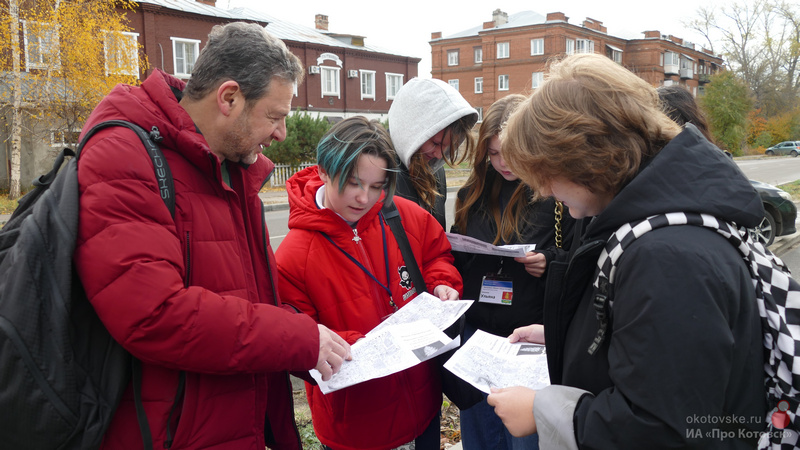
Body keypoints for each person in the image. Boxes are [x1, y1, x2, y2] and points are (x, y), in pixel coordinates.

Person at [73, 22, 351, 450]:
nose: (280, 133)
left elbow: (247, 297)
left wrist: (308, 339)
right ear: (229, 98)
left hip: (236, 420)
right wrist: (293, 338)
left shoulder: (230, 166)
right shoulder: (126, 156)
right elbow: (154, 314)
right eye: (274, 117)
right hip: (173, 432)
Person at [487, 53, 766, 449]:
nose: (545, 191)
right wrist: (566, 337)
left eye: (547, 174)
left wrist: (540, 410)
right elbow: (654, 348)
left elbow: (660, 429)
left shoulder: (668, 258)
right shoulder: (656, 225)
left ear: (587, 160)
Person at [276, 116, 464, 450]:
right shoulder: (294, 255)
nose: (364, 198)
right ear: (322, 171)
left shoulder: (402, 214)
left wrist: (440, 283)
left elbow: (437, 254)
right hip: (356, 426)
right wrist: (363, 346)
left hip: (422, 407)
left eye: (376, 186)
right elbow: (298, 339)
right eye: (353, 183)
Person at [450, 94, 575, 450]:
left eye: (510, 152)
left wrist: (547, 262)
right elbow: (457, 260)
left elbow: (574, 257)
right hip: (477, 334)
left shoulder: (553, 194)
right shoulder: (471, 194)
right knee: (480, 437)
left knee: (523, 440)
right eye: (492, 154)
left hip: (526, 337)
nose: (503, 163)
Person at [388, 77, 478, 229]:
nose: (438, 155)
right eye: (435, 143)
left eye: (448, 147)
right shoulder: (378, 172)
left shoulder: (436, 172)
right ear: (411, 130)